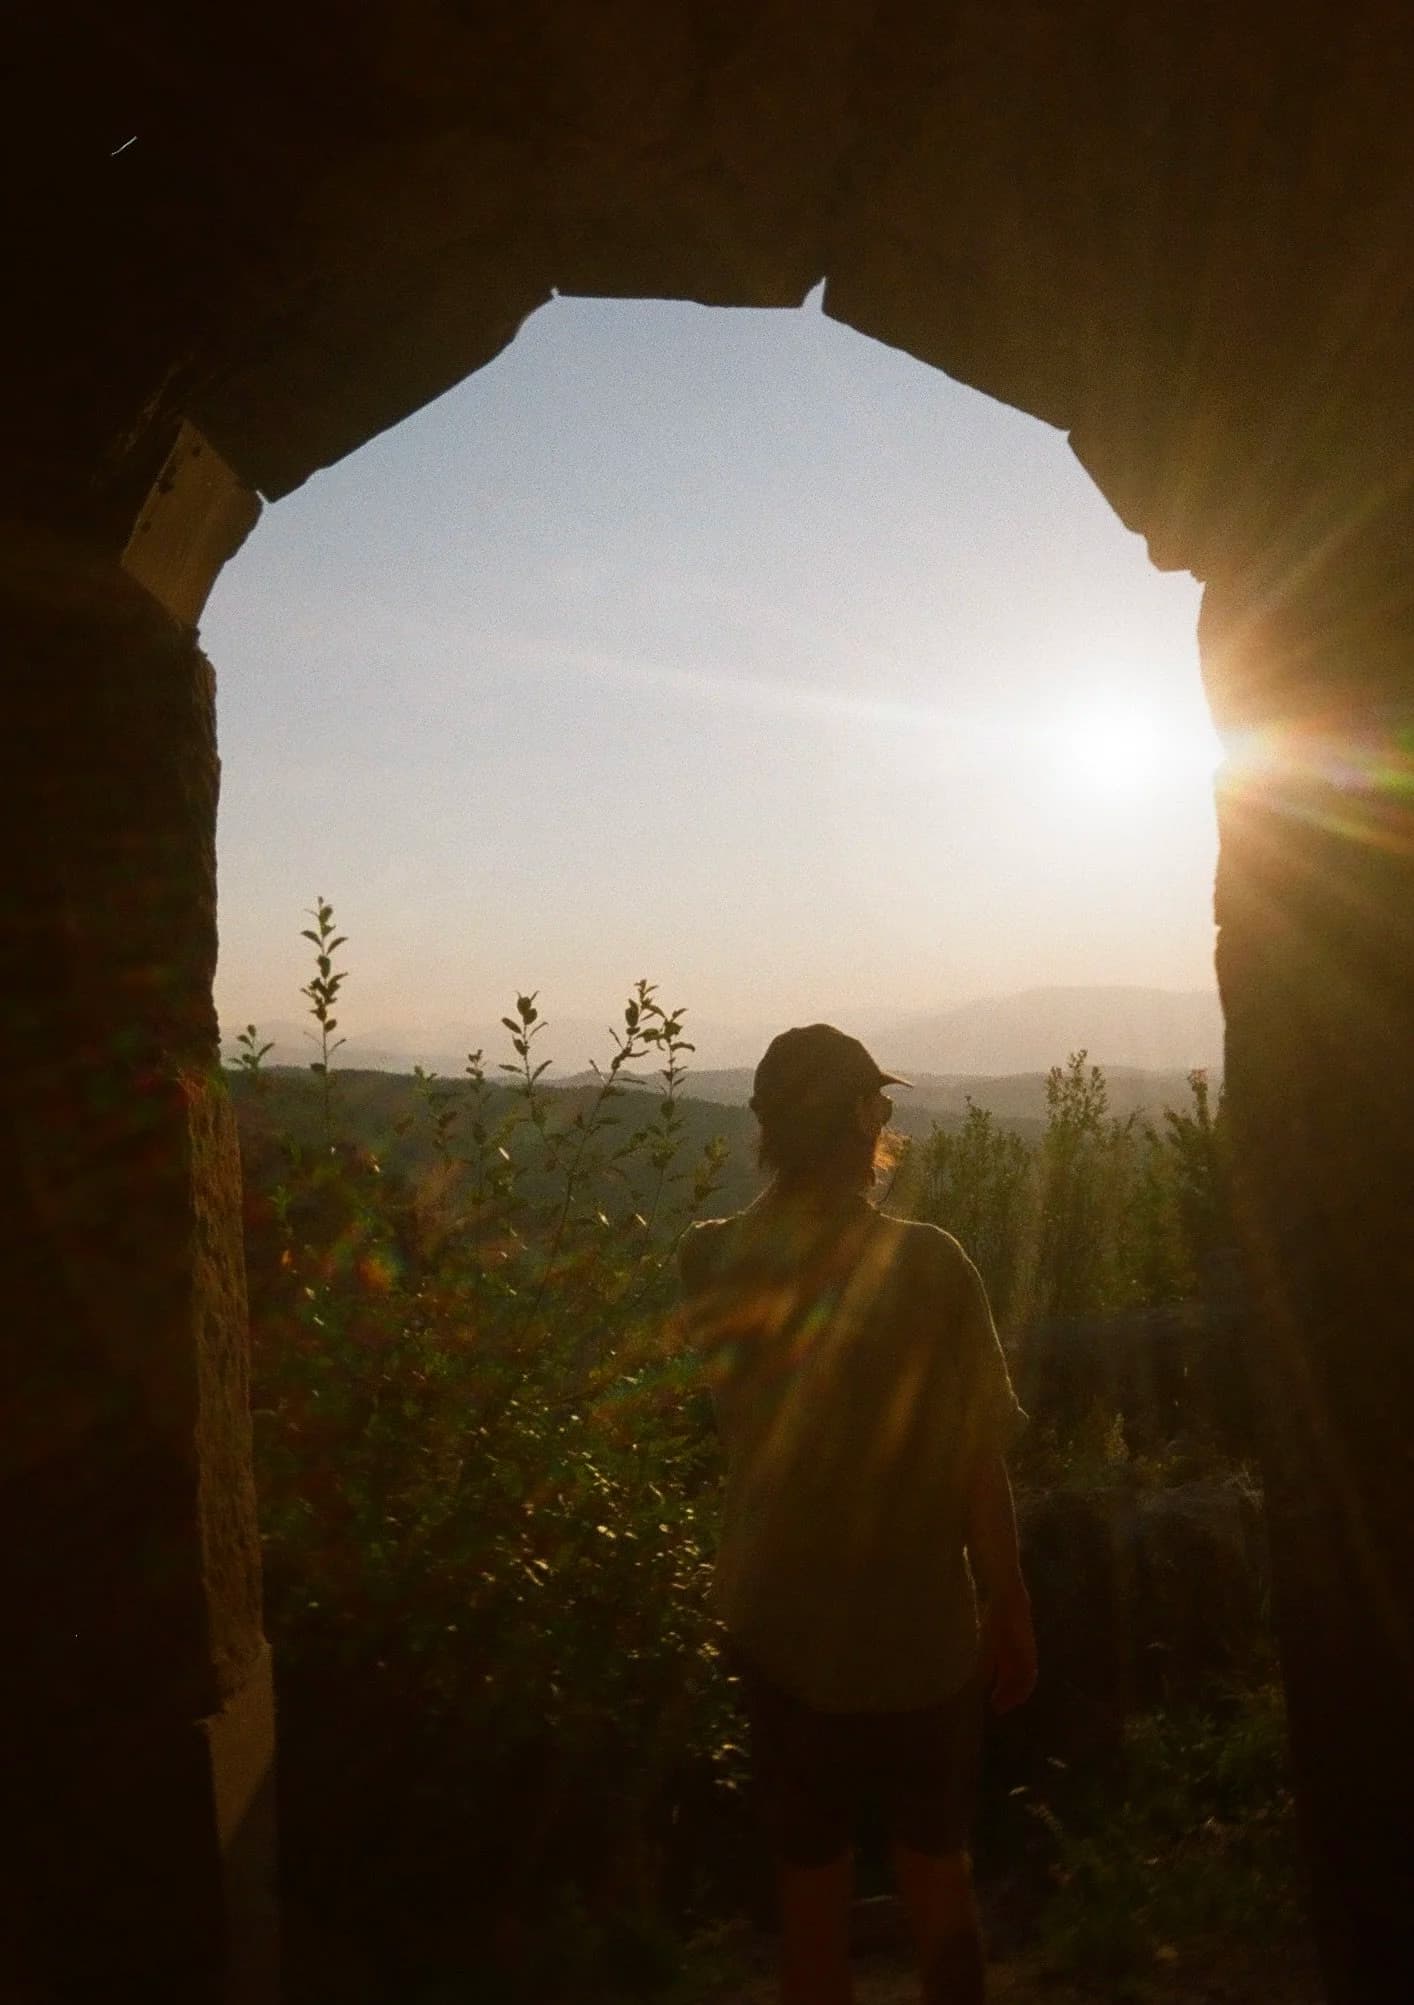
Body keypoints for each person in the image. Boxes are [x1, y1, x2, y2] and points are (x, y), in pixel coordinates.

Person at [678, 1024, 1036, 2005]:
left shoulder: (705, 1264)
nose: (883, 1122)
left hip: (778, 1626)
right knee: (936, 1872)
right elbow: (975, 1464)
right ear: (853, 1122)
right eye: (874, 1107)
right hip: (918, 1636)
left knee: (809, 1900)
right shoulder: (929, 1266)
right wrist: (1009, 1602)